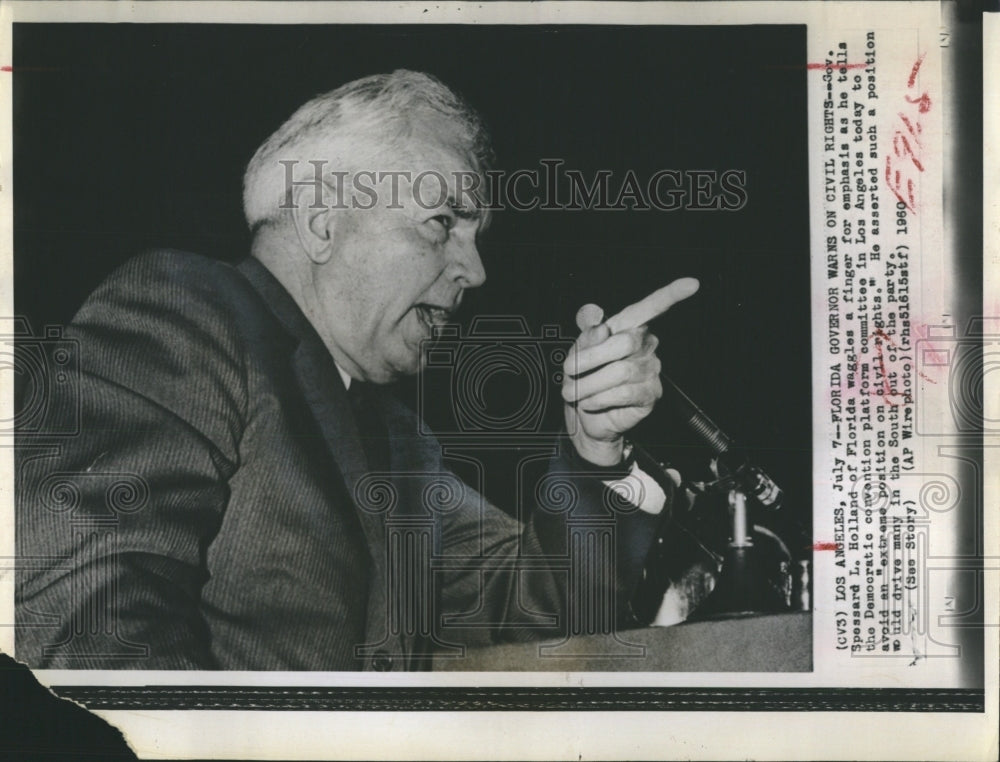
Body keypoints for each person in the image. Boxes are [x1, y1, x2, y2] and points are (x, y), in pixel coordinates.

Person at [15, 70, 704, 671]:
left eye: (476, 236)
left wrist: (593, 448)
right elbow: (89, 613)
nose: (476, 270)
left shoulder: (399, 443)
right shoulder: (186, 310)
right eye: (442, 221)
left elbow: (538, 614)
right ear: (321, 219)